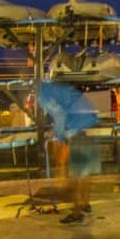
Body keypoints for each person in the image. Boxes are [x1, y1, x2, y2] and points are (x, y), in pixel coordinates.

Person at [38, 82, 100, 224]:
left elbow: (59, 114)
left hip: (76, 127)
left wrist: (58, 137)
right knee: (85, 173)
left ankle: (77, 214)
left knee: (74, 176)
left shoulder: (43, 95)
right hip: (89, 121)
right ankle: (85, 205)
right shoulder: (58, 89)